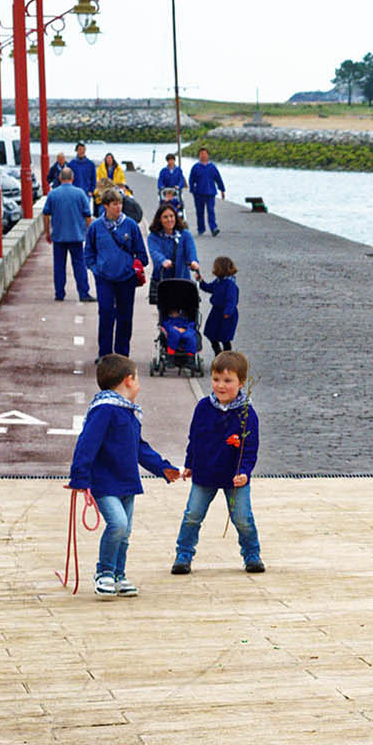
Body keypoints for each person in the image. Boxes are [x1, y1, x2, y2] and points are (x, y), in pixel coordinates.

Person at [68, 353, 181, 598]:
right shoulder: (105, 410)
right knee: (117, 524)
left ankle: (119, 575)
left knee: (125, 531)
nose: (139, 383)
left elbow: (140, 447)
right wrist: (79, 477)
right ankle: (105, 573)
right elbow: (87, 443)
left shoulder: (128, 412)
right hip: (105, 482)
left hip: (127, 483)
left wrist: (163, 468)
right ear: (128, 380)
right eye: (138, 378)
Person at [172, 349, 262, 575]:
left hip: (235, 477)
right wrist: (189, 463)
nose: (221, 385)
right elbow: (194, 437)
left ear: (241, 383)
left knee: (242, 518)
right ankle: (183, 554)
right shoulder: (203, 407)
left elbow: (250, 449)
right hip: (205, 473)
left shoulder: (247, 414)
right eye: (216, 380)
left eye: (227, 381)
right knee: (192, 515)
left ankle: (252, 555)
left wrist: (244, 471)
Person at [84, 188, 148, 361]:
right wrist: (96, 270)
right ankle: (104, 353)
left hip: (126, 279)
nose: (118, 207)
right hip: (104, 278)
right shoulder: (96, 227)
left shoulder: (131, 226)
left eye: (120, 203)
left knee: (125, 316)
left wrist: (132, 267)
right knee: (105, 313)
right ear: (106, 206)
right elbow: (88, 252)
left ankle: (122, 355)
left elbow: (142, 255)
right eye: (114, 204)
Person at [41, 166, 95, 302]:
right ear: (73, 178)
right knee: (79, 265)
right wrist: (90, 234)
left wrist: (47, 232)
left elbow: (46, 214)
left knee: (59, 266)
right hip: (76, 236)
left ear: (59, 178)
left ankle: (59, 293)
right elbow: (87, 215)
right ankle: (83, 293)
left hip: (59, 236)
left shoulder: (53, 194)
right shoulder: (80, 193)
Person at [147, 203, 200, 288]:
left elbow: (191, 250)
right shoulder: (154, 236)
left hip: (182, 278)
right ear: (159, 219)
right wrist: (163, 260)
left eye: (172, 216)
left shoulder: (185, 234)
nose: (169, 219)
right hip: (163, 280)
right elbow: (154, 252)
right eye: (165, 217)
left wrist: (193, 261)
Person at [200, 256, 239, 355]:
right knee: (211, 334)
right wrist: (201, 282)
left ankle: (226, 356)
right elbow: (209, 288)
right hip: (216, 312)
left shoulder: (230, 284)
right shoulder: (218, 281)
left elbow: (231, 300)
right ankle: (218, 352)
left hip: (226, 315)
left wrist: (227, 312)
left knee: (224, 337)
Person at [188, 146, 225, 236]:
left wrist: (222, 190)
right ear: (199, 156)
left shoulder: (212, 167)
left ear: (207, 155)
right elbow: (191, 179)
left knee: (211, 210)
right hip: (199, 193)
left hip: (210, 193)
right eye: (201, 154)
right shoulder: (195, 167)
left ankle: (213, 228)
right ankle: (201, 228)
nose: (203, 155)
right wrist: (192, 190)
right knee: (199, 212)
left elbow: (218, 178)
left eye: (204, 154)